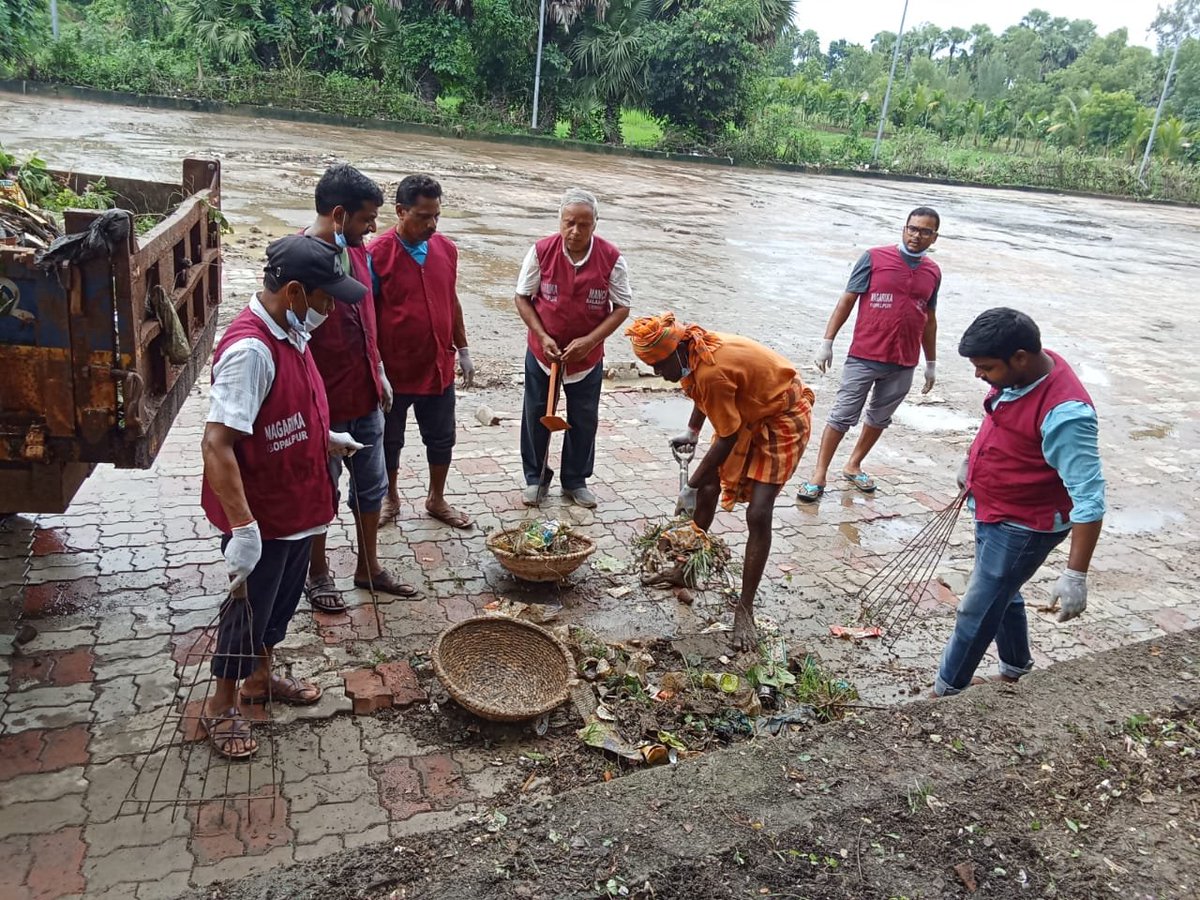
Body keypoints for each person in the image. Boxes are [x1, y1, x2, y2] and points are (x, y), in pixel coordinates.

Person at [200, 234, 367, 758]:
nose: (330, 309)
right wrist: (243, 530)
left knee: (279, 605)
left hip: (297, 505)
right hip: (264, 515)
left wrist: (326, 438)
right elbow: (216, 443)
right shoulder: (250, 351)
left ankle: (260, 679)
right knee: (247, 613)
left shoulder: (291, 333)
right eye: (325, 298)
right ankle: (220, 705)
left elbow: (285, 408)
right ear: (294, 292)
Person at [933, 308, 1105, 697]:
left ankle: (945, 693)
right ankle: (1015, 668)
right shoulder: (1020, 375)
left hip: (1024, 526)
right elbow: (998, 418)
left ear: (1020, 357)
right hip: (993, 509)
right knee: (1002, 592)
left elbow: (1090, 497)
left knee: (975, 610)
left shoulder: (1067, 415)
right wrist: (972, 460)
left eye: (986, 367)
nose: (979, 375)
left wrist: (1076, 575)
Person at [626, 313, 815, 652]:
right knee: (709, 487)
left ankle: (745, 608)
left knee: (758, 512)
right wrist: (693, 432)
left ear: (675, 352)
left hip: (783, 414)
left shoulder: (709, 367)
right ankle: (685, 570)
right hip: (749, 410)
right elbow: (704, 393)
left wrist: (690, 486)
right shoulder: (693, 351)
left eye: (657, 365)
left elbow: (726, 434)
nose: (656, 374)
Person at [301, 164, 417, 611]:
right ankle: (317, 573)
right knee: (320, 492)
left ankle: (368, 566)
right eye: (366, 218)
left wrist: (379, 369)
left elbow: (366, 316)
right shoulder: (301, 260)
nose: (372, 227)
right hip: (323, 402)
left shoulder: (357, 250)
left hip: (365, 394)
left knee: (371, 486)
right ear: (338, 214)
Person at [798, 207, 943, 502]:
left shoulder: (933, 272)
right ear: (904, 229)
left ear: (934, 237)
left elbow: (929, 319)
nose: (917, 235)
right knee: (842, 415)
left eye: (925, 231)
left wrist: (931, 362)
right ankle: (819, 474)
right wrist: (827, 342)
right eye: (913, 228)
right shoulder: (874, 258)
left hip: (904, 361)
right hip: (865, 354)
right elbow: (847, 300)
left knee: (880, 418)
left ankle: (853, 465)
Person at [514, 187, 632, 508]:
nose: (575, 231)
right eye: (569, 223)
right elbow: (522, 297)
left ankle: (575, 480)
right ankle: (536, 479)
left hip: (586, 358)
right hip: (543, 353)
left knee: (584, 418)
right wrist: (542, 336)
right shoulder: (541, 251)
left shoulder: (611, 259)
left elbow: (622, 306)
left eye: (583, 224)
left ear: (595, 224)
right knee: (536, 413)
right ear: (560, 221)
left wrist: (590, 341)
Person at [371, 174, 475, 529]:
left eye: (436, 216)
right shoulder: (376, 254)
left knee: (442, 437)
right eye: (423, 216)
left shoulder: (446, 249)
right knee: (390, 439)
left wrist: (463, 348)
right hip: (395, 370)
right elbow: (366, 315)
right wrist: (375, 368)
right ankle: (390, 497)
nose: (432, 225)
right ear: (400, 211)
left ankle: (436, 498)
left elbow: (451, 300)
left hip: (437, 365)